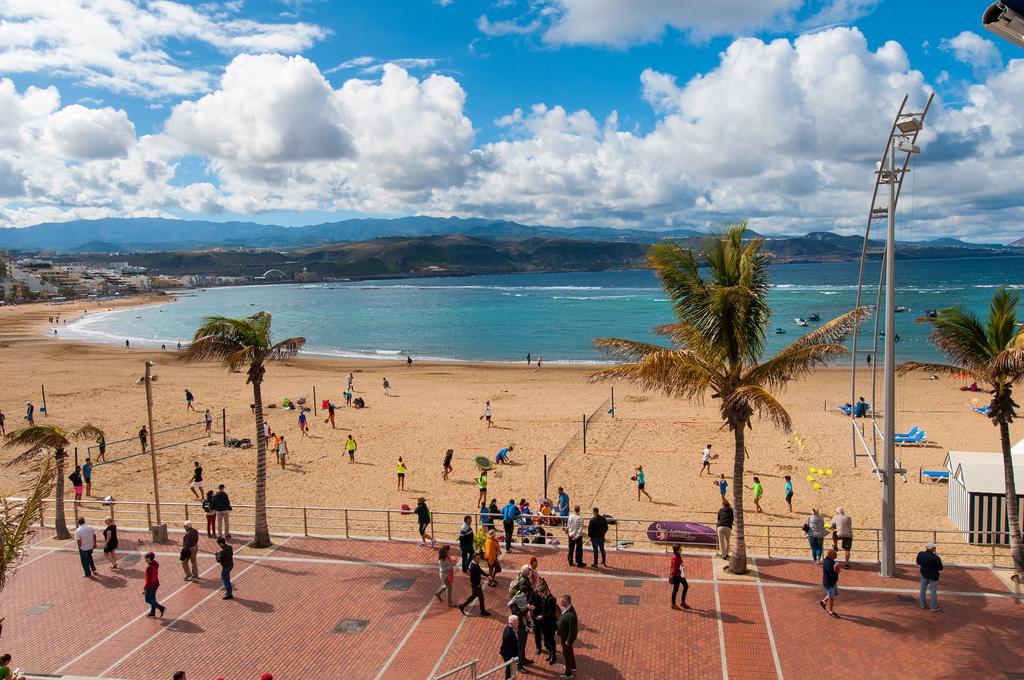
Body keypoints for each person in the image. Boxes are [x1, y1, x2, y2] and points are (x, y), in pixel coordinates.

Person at [533, 580, 558, 664]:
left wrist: (542, 616)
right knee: (547, 640)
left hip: (550, 624)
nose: (540, 595)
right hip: (545, 624)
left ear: (544, 592)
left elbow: (551, 613)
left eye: (540, 593)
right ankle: (551, 654)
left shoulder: (550, 599)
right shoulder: (545, 598)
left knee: (551, 640)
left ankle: (553, 656)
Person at [459, 551, 490, 616]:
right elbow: (478, 573)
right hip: (476, 584)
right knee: (481, 598)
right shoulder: (474, 567)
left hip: (474, 584)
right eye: (477, 559)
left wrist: (487, 575)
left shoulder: (474, 564)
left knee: (474, 596)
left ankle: (462, 606)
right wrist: (487, 576)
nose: (479, 560)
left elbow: (480, 570)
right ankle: (482, 611)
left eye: (479, 558)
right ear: (473, 559)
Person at [916, 542, 944, 612]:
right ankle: (933, 607)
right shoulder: (936, 558)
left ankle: (922, 604)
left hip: (924, 574)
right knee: (933, 591)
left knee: (922, 590)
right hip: (933, 576)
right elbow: (941, 568)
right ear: (932, 549)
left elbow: (918, 562)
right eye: (934, 547)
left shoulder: (921, 554)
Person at [556, 594, 577, 679]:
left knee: (566, 655)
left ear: (566, 602)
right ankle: (573, 666)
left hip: (566, 639)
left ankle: (568, 673)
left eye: (562, 601)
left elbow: (573, 631)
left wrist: (568, 641)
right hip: (564, 636)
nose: (560, 602)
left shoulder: (571, 615)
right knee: (570, 652)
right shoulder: (567, 609)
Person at [820, 548, 841, 618]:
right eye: (834, 555)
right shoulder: (828, 563)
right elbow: (832, 574)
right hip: (829, 583)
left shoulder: (828, 560)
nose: (836, 556)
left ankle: (823, 602)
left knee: (834, 593)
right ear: (830, 555)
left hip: (832, 582)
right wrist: (838, 571)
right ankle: (831, 611)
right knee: (831, 598)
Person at [143, 552, 165, 617]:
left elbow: (148, 580)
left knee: (148, 599)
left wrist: (145, 588)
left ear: (149, 559)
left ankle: (161, 608)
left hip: (150, 586)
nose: (145, 559)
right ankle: (152, 612)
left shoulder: (149, 568)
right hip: (156, 584)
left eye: (146, 558)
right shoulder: (155, 564)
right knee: (153, 598)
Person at [670, 544, 690, 610]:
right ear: (677, 550)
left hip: (680, 574)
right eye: (680, 549)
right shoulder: (675, 558)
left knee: (686, 586)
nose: (681, 549)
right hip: (677, 576)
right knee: (675, 590)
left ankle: (682, 602)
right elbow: (674, 569)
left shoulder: (677, 555)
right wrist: (681, 567)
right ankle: (673, 604)